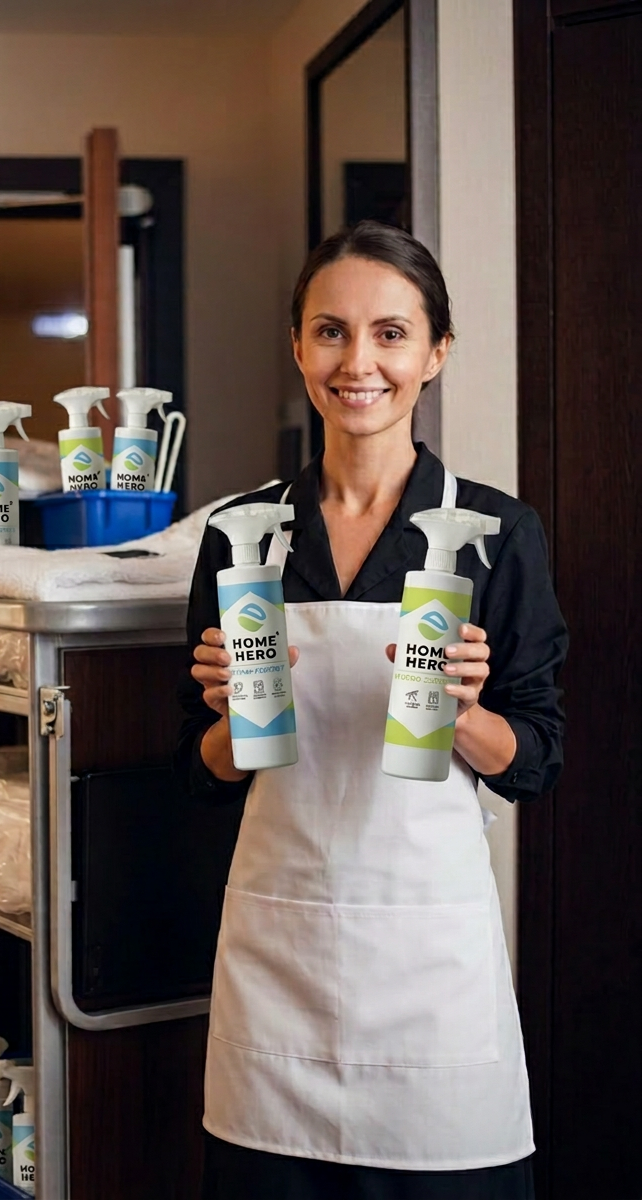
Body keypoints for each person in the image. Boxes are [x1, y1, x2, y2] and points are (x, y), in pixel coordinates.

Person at [176, 221, 567, 1200]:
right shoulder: (241, 537)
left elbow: (535, 757)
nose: (358, 363)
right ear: (298, 347)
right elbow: (202, 770)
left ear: (434, 353)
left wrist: (462, 710)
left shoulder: (495, 534)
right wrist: (229, 716)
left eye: (391, 333)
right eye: (331, 331)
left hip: (426, 964)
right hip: (280, 959)